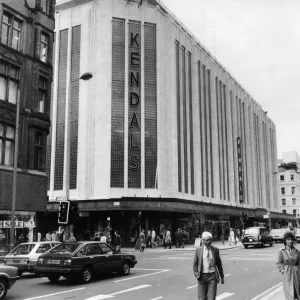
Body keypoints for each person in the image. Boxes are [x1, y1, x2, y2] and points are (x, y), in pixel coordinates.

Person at [193, 231, 225, 300]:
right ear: (203, 240)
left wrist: (222, 276)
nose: (209, 241)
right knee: (201, 298)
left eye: (210, 240)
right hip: (202, 277)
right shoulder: (198, 250)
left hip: (212, 276)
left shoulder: (215, 250)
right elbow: (195, 263)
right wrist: (196, 273)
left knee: (211, 298)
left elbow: (219, 264)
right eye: (207, 240)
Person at [277, 231, 300, 300]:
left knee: (297, 293)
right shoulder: (281, 251)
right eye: (288, 239)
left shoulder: (297, 251)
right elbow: (279, 262)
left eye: (291, 239)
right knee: (289, 294)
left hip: (296, 274)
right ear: (285, 240)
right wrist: (283, 270)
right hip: (287, 274)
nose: (290, 241)